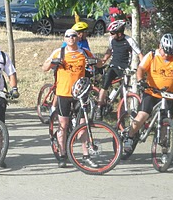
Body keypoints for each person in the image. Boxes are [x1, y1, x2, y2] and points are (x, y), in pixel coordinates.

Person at [123, 33, 173, 154]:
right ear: (160, 46)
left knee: (166, 122)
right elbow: (141, 69)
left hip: (169, 95)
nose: (167, 55)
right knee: (142, 116)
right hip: (152, 92)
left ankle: (165, 149)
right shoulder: (152, 55)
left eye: (170, 53)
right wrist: (141, 80)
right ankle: (130, 137)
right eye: (166, 52)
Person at [41, 28, 93, 168]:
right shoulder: (59, 52)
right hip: (63, 93)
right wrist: (53, 62)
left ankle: (86, 155)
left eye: (74, 36)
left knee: (83, 126)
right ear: (64, 39)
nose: (71, 38)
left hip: (80, 94)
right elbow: (44, 67)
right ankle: (62, 154)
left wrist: (95, 62)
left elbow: (98, 63)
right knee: (63, 125)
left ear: (78, 38)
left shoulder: (84, 52)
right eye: (68, 36)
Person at [97, 20, 142, 107]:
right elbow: (109, 50)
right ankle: (99, 106)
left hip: (124, 69)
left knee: (123, 91)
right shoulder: (111, 39)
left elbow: (140, 54)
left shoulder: (129, 40)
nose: (110, 35)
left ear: (119, 33)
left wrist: (142, 67)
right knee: (104, 86)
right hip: (113, 66)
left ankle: (122, 110)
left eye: (112, 33)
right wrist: (104, 59)